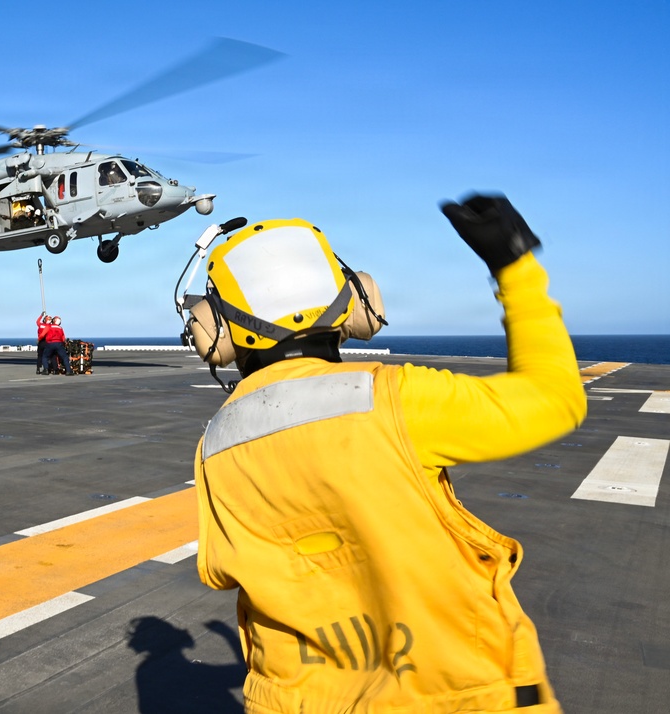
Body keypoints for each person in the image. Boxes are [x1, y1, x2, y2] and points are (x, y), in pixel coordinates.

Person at [179, 197, 587, 713]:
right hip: (449, 695)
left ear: (215, 332)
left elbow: (219, 573)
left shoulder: (217, 444)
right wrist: (516, 269)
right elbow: (554, 399)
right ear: (354, 300)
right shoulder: (396, 396)